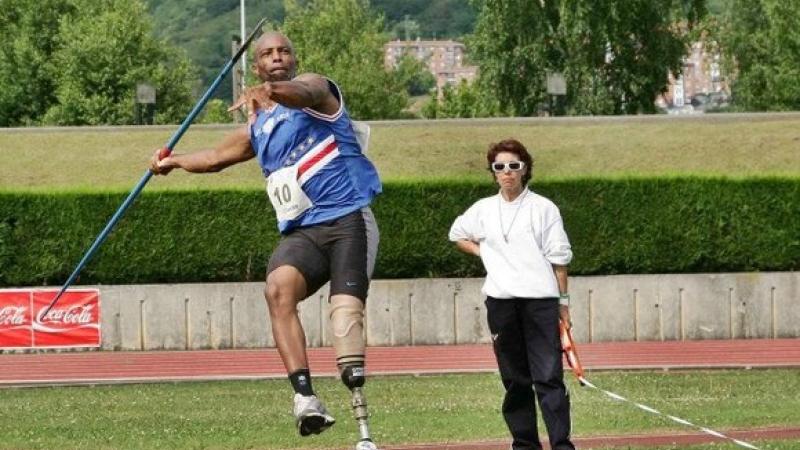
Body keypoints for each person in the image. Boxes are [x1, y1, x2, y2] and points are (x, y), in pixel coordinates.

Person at [150, 31, 381, 449]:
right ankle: (305, 398)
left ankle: (364, 429)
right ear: (254, 66)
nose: (277, 57)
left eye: (284, 51)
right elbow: (216, 158)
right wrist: (174, 162)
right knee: (277, 289)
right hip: (305, 232)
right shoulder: (258, 123)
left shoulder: (318, 91)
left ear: (294, 58)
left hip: (348, 220)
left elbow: (303, 91)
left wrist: (272, 90)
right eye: (267, 55)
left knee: (345, 321)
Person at [448, 139, 575, 450]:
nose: (507, 172)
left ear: (525, 169)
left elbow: (559, 259)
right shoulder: (483, 209)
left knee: (548, 376)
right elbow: (456, 234)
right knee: (515, 379)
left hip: (540, 302)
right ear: (493, 172)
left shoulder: (544, 208)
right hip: (501, 303)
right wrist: (484, 253)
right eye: (500, 167)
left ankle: (561, 444)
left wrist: (564, 304)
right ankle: (524, 443)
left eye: (514, 166)